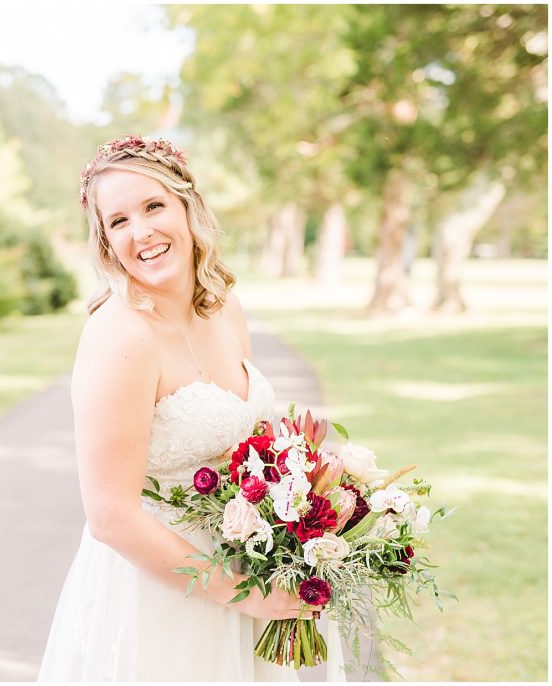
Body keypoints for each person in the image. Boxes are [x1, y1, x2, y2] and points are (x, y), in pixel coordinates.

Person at [37, 136, 341, 681]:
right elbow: (110, 517)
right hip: (163, 597)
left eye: (153, 207)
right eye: (119, 220)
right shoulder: (119, 336)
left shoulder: (225, 308)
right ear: (105, 240)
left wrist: (308, 498)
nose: (142, 233)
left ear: (188, 207)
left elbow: (251, 448)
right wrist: (243, 596)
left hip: (248, 569)